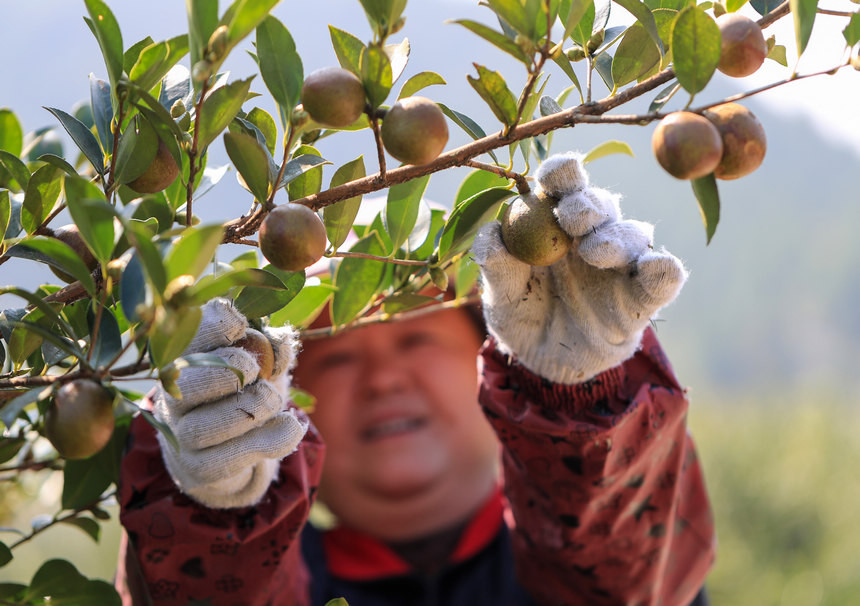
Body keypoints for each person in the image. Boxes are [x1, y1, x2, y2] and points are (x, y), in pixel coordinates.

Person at [115, 153, 715, 605]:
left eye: (416, 337)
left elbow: (631, 577)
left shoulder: (597, 558)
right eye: (341, 354)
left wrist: (588, 401)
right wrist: (213, 511)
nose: (382, 378)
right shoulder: (277, 582)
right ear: (287, 402)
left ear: (493, 354)